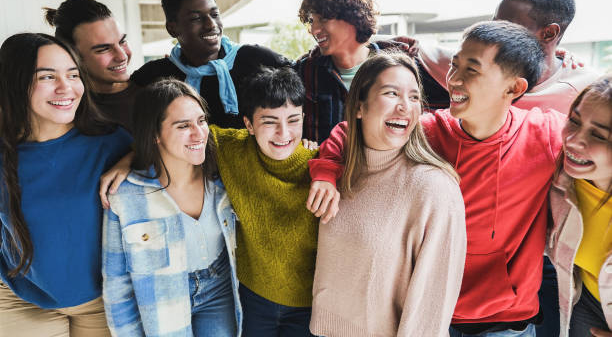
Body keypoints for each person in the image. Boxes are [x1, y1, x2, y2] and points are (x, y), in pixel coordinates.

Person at [310, 21, 568, 336]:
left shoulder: (546, 134)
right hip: (426, 314)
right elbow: (350, 130)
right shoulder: (429, 130)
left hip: (504, 321)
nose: (454, 80)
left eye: (471, 71)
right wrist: (325, 172)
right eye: (454, 66)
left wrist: (565, 69)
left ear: (514, 88)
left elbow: (598, 131)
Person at [308, 52, 466, 337]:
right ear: (359, 107)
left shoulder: (433, 187)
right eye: (391, 93)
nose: (405, 106)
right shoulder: (340, 172)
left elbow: (433, 302)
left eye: (415, 97)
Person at [0, 33, 131, 336]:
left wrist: (136, 156)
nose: (66, 87)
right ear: (14, 82)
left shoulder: (113, 144)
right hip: (16, 297)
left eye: (73, 75)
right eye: (47, 76)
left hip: (101, 301)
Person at [102, 79, 240, 336]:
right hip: (162, 297)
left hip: (219, 289)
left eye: (201, 121)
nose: (199, 133)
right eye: (183, 125)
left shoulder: (223, 177)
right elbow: (117, 287)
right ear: (155, 134)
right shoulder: (126, 195)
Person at [209, 66, 328, 336]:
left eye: (293, 120)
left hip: (310, 305)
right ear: (249, 124)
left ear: (304, 118)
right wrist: (128, 160)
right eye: (270, 121)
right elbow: (179, 136)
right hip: (252, 298)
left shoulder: (323, 165)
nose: (283, 133)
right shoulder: (233, 149)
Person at [415, 0, 600, 114]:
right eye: (494, 21)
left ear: (549, 33)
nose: (496, 30)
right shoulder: (462, 65)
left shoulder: (585, 89)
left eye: (508, 24)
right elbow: (413, 47)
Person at [130, 0, 293, 128]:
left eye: (215, 14)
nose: (211, 25)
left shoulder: (255, 59)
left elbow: (302, 80)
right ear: (172, 28)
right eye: (196, 18)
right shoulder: (157, 76)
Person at [547, 76, 612, 337]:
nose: (574, 140)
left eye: (598, 135)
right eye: (573, 121)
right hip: (585, 301)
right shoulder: (561, 180)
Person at [296, 0, 384, 142]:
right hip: (324, 166)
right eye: (311, 21)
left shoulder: (393, 70)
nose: (314, 29)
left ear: (353, 18)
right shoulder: (304, 72)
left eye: (323, 19)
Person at [44, 0, 140, 131]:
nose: (122, 56)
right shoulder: (65, 109)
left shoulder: (151, 87)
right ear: (72, 55)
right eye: (104, 49)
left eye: (122, 41)